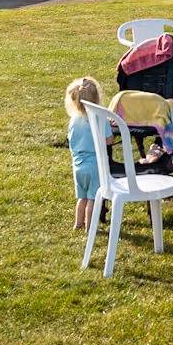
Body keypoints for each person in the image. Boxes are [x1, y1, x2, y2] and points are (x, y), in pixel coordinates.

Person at [63, 76, 104, 232]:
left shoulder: (74, 118)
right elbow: (108, 139)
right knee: (93, 198)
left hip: (77, 163)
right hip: (93, 164)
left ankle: (78, 223)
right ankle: (90, 227)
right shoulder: (99, 117)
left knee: (82, 198)